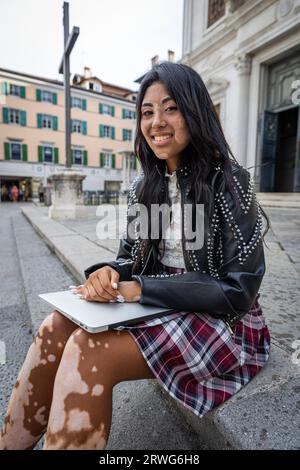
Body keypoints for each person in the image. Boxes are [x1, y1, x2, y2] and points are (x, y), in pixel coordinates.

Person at [0, 62, 271, 451]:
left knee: (86, 350)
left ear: (194, 112)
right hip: (154, 302)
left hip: (219, 320)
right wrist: (110, 272)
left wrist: (137, 289)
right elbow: (131, 257)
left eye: (171, 108)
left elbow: (237, 292)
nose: (157, 121)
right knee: (53, 327)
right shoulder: (144, 186)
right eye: (147, 112)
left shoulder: (230, 182)